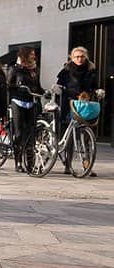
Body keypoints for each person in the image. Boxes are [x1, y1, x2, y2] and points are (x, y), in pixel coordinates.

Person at [57, 46, 98, 175]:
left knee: (86, 136)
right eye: (77, 57)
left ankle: (87, 164)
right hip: (70, 103)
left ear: (86, 57)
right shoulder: (66, 70)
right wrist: (57, 89)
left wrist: (98, 91)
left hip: (85, 105)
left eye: (82, 56)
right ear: (72, 58)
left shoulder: (91, 70)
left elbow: (95, 86)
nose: (79, 59)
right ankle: (68, 165)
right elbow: (59, 85)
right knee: (70, 135)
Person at [7, 46, 43, 172]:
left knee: (31, 134)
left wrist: (45, 92)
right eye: (31, 54)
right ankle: (18, 162)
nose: (33, 56)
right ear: (25, 55)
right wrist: (16, 86)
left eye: (34, 54)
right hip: (18, 102)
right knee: (19, 133)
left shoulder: (34, 70)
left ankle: (30, 163)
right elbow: (8, 85)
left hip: (30, 103)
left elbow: (37, 87)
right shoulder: (14, 69)